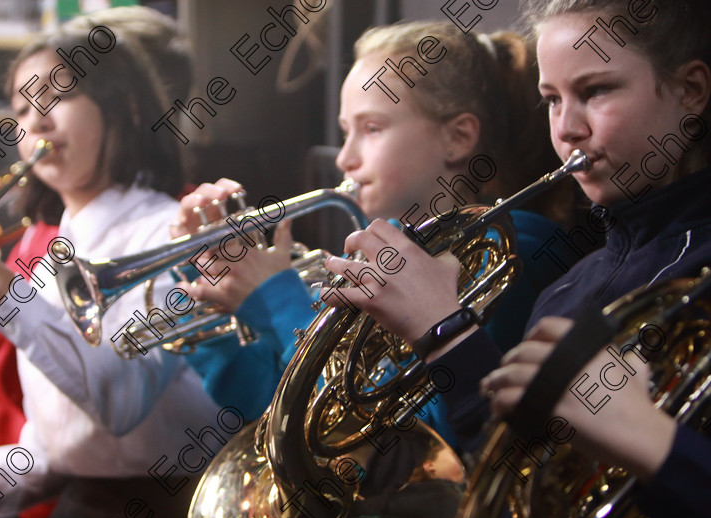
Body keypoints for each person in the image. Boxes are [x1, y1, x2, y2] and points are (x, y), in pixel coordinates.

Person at [324, 1, 711, 518]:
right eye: (552, 99)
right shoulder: (571, 287)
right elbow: (507, 486)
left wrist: (655, 444)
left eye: (597, 91)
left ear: (691, 91)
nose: (569, 128)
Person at [0, 11, 219, 518]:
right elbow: (59, 443)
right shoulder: (54, 250)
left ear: (126, 108)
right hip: (87, 503)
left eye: (56, 96)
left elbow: (121, 399)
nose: (35, 121)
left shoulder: (170, 228)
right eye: (20, 108)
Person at [172, 21, 580, 437]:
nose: (345, 158)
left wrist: (278, 300)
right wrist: (208, 288)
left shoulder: (515, 246)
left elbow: (419, 440)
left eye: (372, 129)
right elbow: (276, 405)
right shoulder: (385, 247)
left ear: (457, 138)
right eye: (346, 131)